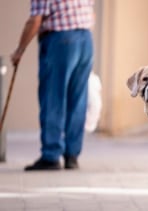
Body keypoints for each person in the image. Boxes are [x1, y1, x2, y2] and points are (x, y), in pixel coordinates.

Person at [11, 0, 95, 171]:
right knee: (77, 99)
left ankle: (51, 155)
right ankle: (72, 156)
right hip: (85, 38)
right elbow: (92, 13)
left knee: (53, 98)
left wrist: (19, 50)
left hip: (60, 39)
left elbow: (35, 20)